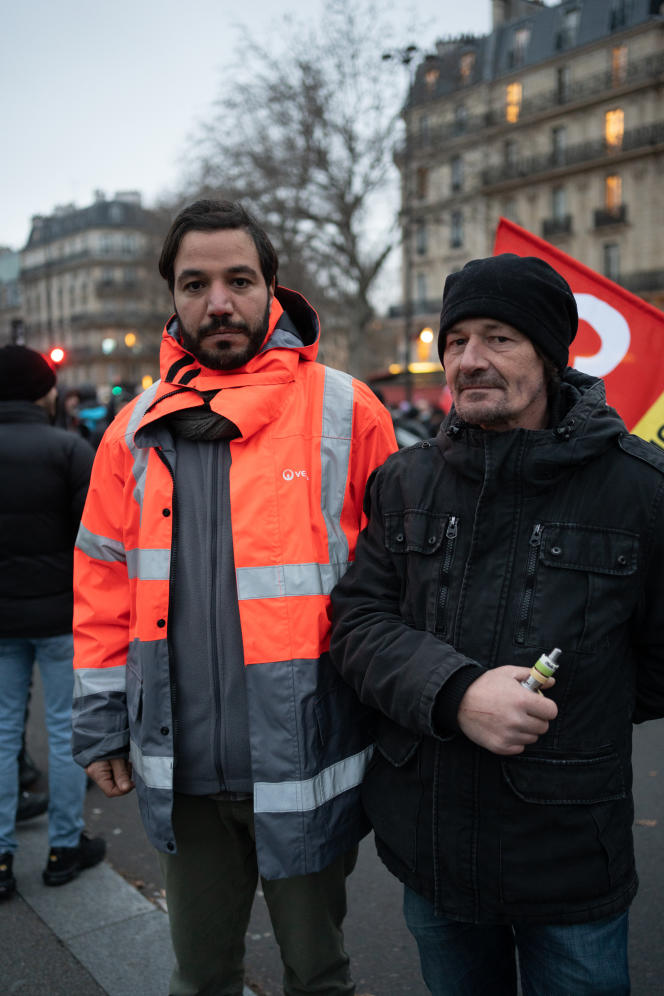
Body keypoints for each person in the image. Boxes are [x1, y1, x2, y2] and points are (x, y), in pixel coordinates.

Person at [72, 199, 396, 995]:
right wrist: (100, 723)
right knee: (201, 978)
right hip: (182, 772)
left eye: (239, 280)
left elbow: (401, 586)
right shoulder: (131, 432)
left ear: (273, 288)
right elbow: (102, 588)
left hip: (305, 757)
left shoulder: (349, 410)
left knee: (319, 974)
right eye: (196, 283)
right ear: (173, 298)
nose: (219, 302)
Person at [329, 253, 664, 996]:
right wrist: (457, 693)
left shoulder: (640, 490)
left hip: (571, 859)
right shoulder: (405, 481)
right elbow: (356, 622)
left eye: (498, 338)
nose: (469, 360)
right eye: (455, 342)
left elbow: (657, 667)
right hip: (433, 852)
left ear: (548, 355)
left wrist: (570, 713)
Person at [0, 345, 106, 901]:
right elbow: (94, 540)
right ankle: (65, 847)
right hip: (62, 612)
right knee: (67, 729)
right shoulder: (68, 448)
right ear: (44, 392)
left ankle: (0, 856)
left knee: (0, 732)